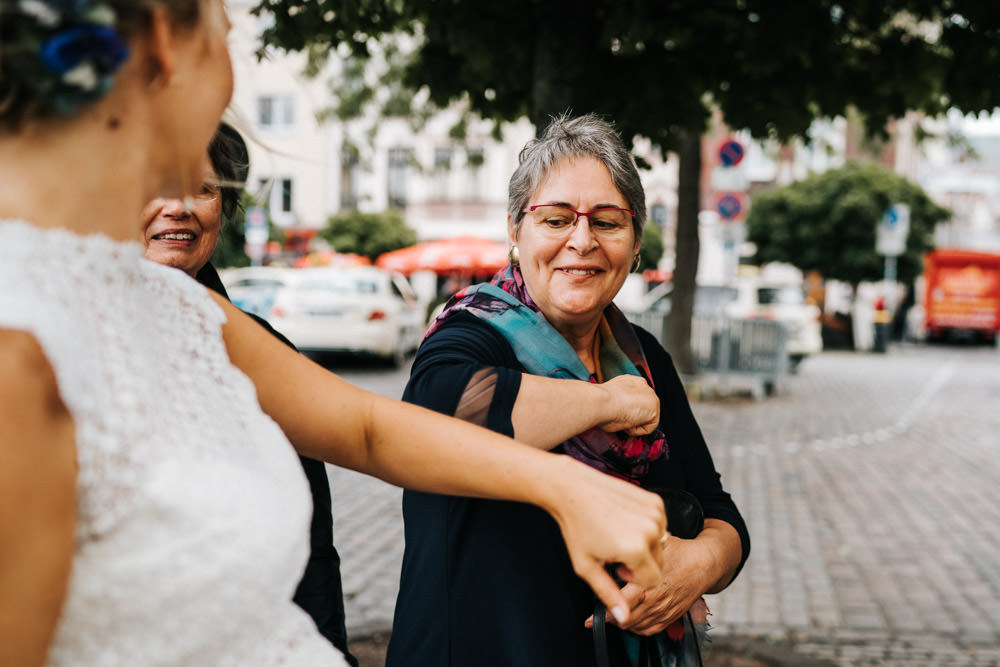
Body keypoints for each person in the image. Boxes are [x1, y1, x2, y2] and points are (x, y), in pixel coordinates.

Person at [0, 3, 670, 666]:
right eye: (225, 40)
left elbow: (366, 429)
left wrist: (563, 485)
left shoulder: (162, 302)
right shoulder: (21, 354)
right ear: (167, 55)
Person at [387, 113, 751, 667]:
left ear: (634, 246)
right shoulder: (473, 337)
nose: (581, 241)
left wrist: (697, 564)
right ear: (515, 232)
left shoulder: (643, 358)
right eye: (555, 220)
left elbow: (721, 514)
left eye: (607, 222)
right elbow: (441, 411)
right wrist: (606, 402)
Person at [140, 121, 358, 665]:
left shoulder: (263, 350)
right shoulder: (47, 341)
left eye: (204, 189)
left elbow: (310, 542)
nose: (179, 207)